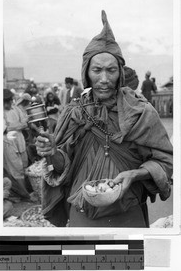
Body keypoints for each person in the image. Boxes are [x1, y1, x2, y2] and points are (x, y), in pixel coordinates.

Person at [36, 11, 173, 228]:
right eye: (97, 70)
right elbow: (62, 167)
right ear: (86, 73)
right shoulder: (74, 112)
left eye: (111, 70)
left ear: (120, 72)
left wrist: (135, 174)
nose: (104, 79)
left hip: (128, 215)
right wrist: (53, 153)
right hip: (83, 215)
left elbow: (166, 162)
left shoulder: (141, 112)